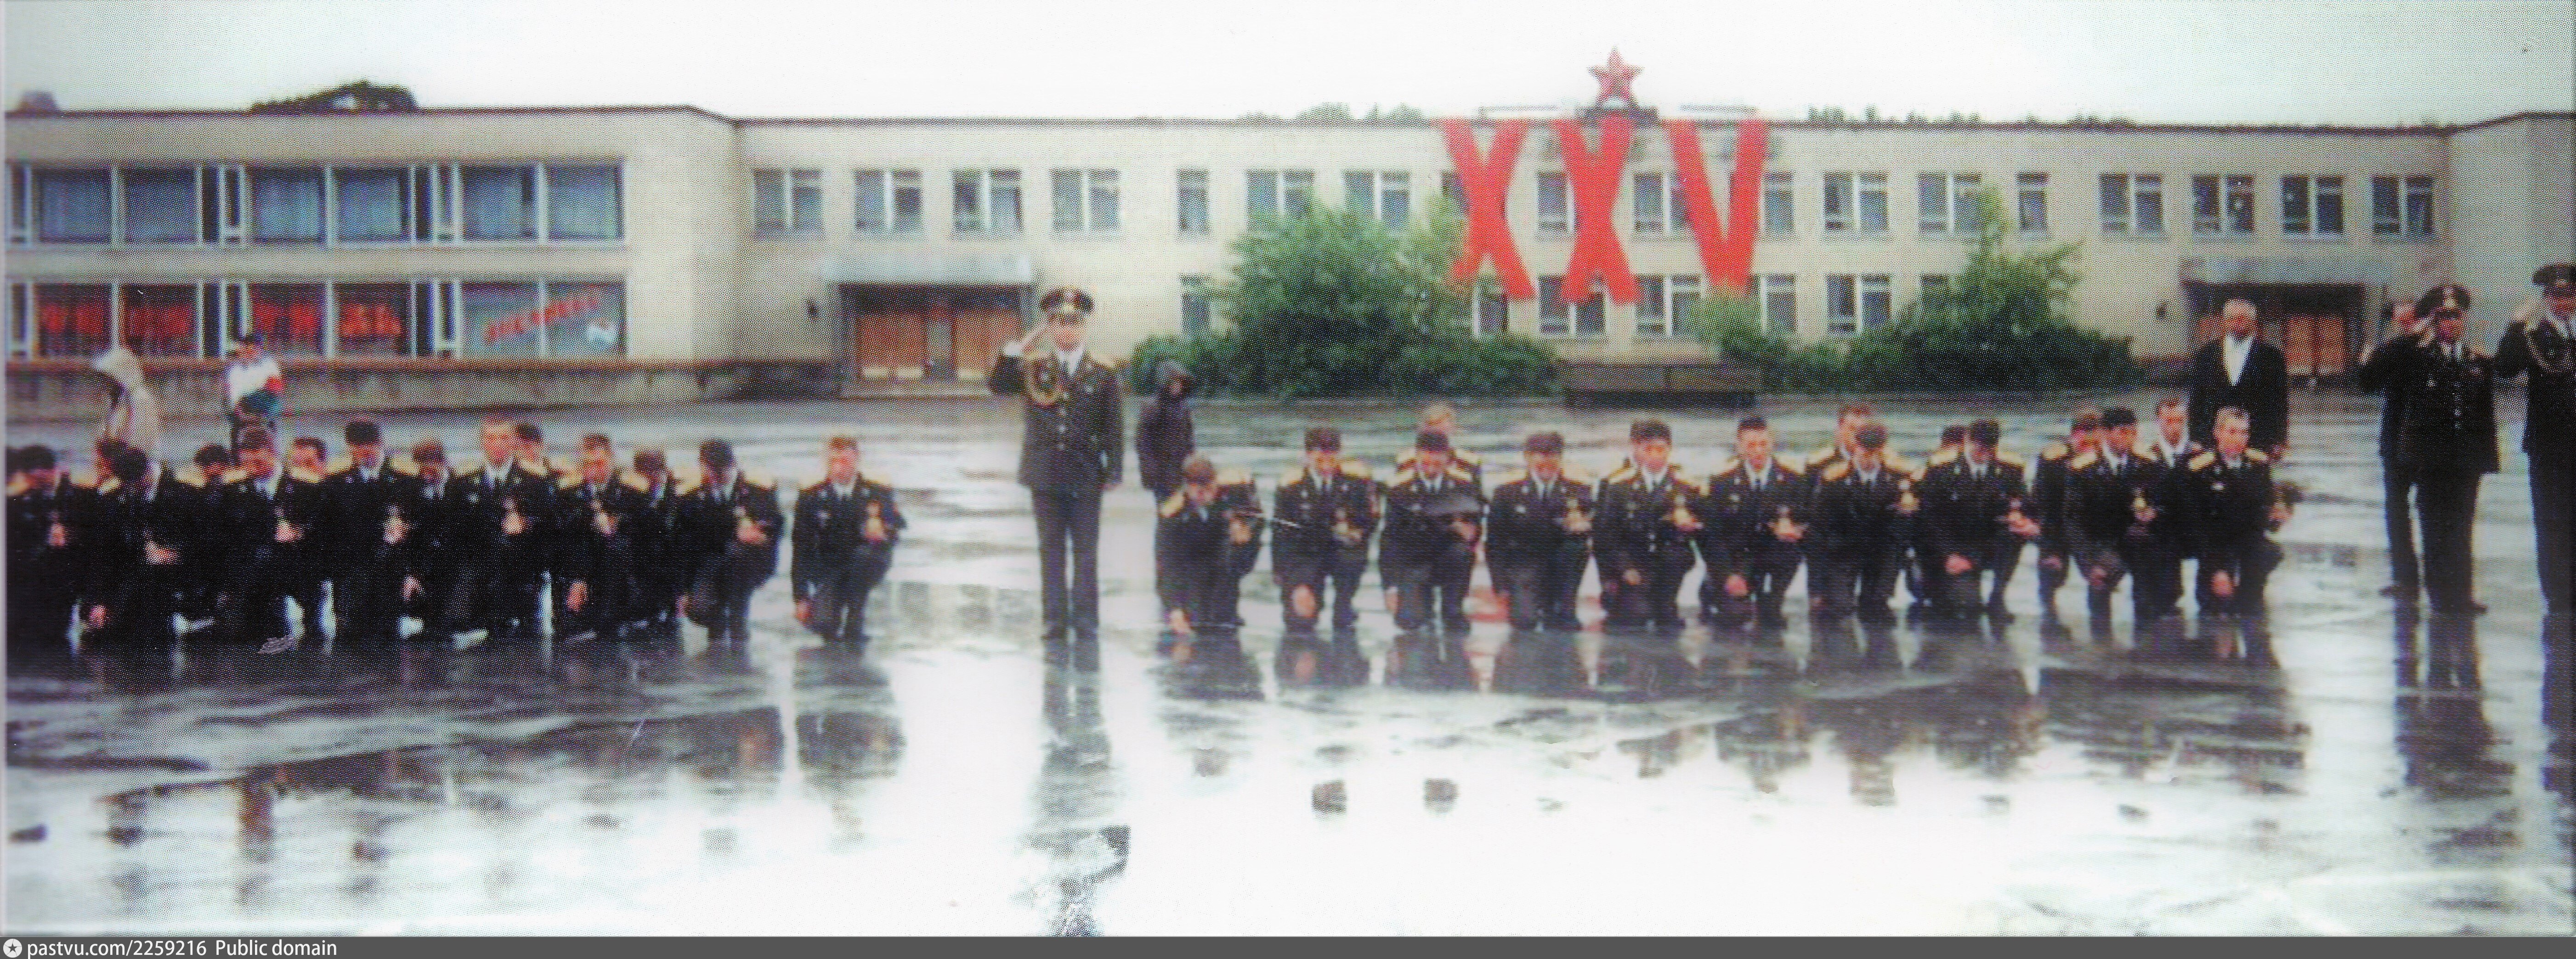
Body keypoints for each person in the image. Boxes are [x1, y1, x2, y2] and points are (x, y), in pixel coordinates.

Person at [989, 286, 1125, 665]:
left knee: (1085, 553)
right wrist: (1016, 349)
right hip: (1045, 474)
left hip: (1085, 473)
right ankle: (1053, 622)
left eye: (1073, 323)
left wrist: (1114, 468)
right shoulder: (1033, 365)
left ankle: (1086, 622)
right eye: (1059, 324)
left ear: (1083, 327)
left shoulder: (1102, 371)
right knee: (1050, 552)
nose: (1067, 330)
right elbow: (998, 386)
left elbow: (1113, 425)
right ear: (1049, 329)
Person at [2359, 284, 2498, 617]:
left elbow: (2483, 413)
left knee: (2462, 526)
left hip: (2464, 458)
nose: (2452, 323)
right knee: (2434, 527)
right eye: (2444, 317)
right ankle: (2439, 595)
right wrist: (2407, 336)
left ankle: (2461, 594)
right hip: (2429, 457)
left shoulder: (2475, 358)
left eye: (2457, 316)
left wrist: (2485, 458)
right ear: (2433, 321)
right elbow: (2369, 380)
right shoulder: (2415, 355)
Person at [2491, 262, 2576, 619]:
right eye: (2556, 296)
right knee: (2552, 520)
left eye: (2568, 295)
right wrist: (2514, 325)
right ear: (2545, 299)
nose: (2563, 302)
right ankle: (2558, 595)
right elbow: (2504, 367)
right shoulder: (2532, 336)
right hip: (2549, 445)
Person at [2174, 407, 2288, 666]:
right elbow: (2197, 526)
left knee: (2268, 553)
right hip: (2215, 546)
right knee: (2215, 618)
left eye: (2244, 433)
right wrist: (2217, 570)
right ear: (2217, 433)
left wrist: (2276, 517)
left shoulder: (2258, 464)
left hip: (2245, 542)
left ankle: (2251, 595)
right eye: (2232, 432)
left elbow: (2263, 519)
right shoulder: (2200, 468)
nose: (2239, 439)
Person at [439, 419, 555, 642]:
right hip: (475, 575)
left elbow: (551, 528)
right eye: (491, 438)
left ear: (514, 442)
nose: (497, 444)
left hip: (520, 576)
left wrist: (526, 524)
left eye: (504, 438)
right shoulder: (462, 482)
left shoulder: (535, 481)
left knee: (523, 650)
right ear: (482, 443)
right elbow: (452, 530)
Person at [214, 426, 327, 654]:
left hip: (300, 564)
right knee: (257, 638)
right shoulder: (232, 490)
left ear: (273, 453)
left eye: (259, 460)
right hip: (257, 569)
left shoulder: (306, 485)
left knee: (314, 636)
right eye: (247, 462)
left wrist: (299, 532)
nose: (253, 467)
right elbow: (227, 532)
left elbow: (325, 524)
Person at [2063, 408, 2174, 638]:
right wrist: (2088, 563)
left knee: (2150, 595)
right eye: (2123, 432)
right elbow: (2074, 521)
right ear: (2105, 433)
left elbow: (2169, 503)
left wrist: (2155, 513)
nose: (2130, 438)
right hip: (2102, 542)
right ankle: (2101, 639)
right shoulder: (2082, 469)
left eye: (2134, 433)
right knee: (2101, 579)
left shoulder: (2150, 464)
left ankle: (2146, 641)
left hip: (2140, 540)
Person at [1920, 419, 2038, 623]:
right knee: (1967, 606)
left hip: (1989, 542)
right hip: (1954, 542)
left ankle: (1998, 595)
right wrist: (1949, 555)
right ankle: (1934, 582)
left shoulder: (2010, 468)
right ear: (1967, 440)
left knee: (2014, 534)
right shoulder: (1942, 468)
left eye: (1989, 449)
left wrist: (2026, 522)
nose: (1983, 453)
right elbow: (1931, 519)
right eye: (1979, 447)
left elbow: (2024, 503)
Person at [793, 435, 905, 649]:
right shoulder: (811, 495)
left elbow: (896, 528)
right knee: (823, 623)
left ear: (856, 460)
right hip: (830, 568)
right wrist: (801, 598)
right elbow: (800, 548)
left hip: (866, 564)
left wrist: (883, 532)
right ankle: (832, 607)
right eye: (833, 462)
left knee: (863, 559)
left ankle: (856, 613)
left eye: (845, 461)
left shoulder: (877, 491)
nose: (838, 468)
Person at [86, 445, 200, 651]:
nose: (133, 488)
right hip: (127, 594)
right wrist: (99, 601)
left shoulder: (186, 496)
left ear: (149, 470)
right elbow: (104, 554)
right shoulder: (115, 500)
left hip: (169, 592)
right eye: (127, 484)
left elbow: (205, 543)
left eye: (137, 482)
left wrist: (176, 555)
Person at [1699, 415, 1807, 632]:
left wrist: (1798, 532)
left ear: (1772, 444)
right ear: (1739, 447)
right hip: (1737, 559)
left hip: (1775, 559)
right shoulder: (1722, 481)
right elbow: (1711, 536)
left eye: (1763, 444)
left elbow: (1809, 520)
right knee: (1734, 616)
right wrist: (1727, 575)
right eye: (1751, 445)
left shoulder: (1793, 479)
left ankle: (1772, 599)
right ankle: (1711, 588)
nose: (1758, 451)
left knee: (1771, 620)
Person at [1594, 420, 1701, 636]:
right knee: (1636, 616)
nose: (1655, 456)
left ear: (1670, 450)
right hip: (1634, 563)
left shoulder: (1687, 486)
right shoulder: (1619, 486)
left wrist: (1694, 526)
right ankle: (1622, 598)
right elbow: (1607, 535)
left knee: (1666, 617)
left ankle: (1667, 601)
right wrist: (1623, 569)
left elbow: (1707, 531)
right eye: (1648, 449)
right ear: (1637, 450)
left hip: (1669, 564)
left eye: (1661, 449)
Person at [1484, 431, 1595, 636]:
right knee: (1524, 621)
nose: (1546, 463)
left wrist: (1584, 529)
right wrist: (1500, 585)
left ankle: (1565, 604)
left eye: (1553, 456)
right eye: (1540, 457)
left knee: (1576, 548)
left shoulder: (1579, 490)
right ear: (1527, 458)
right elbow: (1495, 541)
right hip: (1524, 564)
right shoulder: (1507, 492)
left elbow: (1594, 531)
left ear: (1561, 458)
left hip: (1561, 565)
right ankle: (1529, 599)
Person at [1270, 427, 1378, 634]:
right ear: (1307, 456)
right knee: (1300, 620)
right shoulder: (1290, 486)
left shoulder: (1357, 481)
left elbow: (1370, 521)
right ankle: (1309, 598)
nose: (1326, 464)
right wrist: (1292, 582)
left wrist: (1355, 534)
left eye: (1332, 456)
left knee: (1352, 559)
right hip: (1305, 555)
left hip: (1342, 552)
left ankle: (1344, 603)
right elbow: (1281, 536)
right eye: (1320, 457)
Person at [321, 420, 419, 645]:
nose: (366, 451)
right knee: (350, 638)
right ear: (350, 448)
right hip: (351, 570)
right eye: (359, 446)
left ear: (382, 444)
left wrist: (411, 569)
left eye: (371, 444)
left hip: (391, 570)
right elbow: (330, 529)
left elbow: (418, 527)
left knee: (389, 639)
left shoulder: (405, 483)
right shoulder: (336, 485)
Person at [1380, 430, 1483, 639]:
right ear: (1417, 456)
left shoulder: (1464, 485)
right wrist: (1390, 587)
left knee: (1462, 553)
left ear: (1447, 458)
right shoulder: (1399, 489)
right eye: (1426, 462)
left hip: (1449, 557)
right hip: (1414, 561)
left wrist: (1469, 534)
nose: (1432, 469)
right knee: (1410, 621)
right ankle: (1419, 600)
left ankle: (1453, 607)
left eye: (1438, 462)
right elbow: (1390, 538)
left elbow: (1475, 529)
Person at [1809, 423, 1915, 624]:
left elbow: (1905, 523)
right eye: (1866, 452)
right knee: (1840, 607)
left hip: (1881, 550)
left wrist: (1896, 554)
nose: (1870, 459)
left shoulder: (1899, 477)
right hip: (1844, 549)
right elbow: (1820, 522)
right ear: (1856, 448)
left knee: (1877, 609)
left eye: (1876, 453)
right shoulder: (1834, 478)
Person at [1154, 455, 1263, 647]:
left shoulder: (1232, 494)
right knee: (1191, 628)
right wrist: (1175, 609)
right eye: (1199, 492)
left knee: (1223, 620)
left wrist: (1245, 535)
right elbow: (1167, 566)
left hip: (1223, 570)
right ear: (1188, 488)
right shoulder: (1172, 514)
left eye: (1210, 490)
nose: (1205, 496)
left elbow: (1257, 519)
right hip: (1190, 573)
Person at [683, 439, 783, 646]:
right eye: (712, 471)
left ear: (733, 465)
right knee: (698, 609)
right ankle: (718, 620)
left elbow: (777, 525)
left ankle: (739, 622)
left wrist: (762, 538)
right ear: (703, 467)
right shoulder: (692, 495)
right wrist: (683, 589)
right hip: (711, 564)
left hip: (747, 564)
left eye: (723, 470)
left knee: (738, 556)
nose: (719, 476)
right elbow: (687, 539)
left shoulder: (759, 491)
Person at [2358, 302, 2425, 604]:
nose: (2405, 325)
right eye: (2400, 321)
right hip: (2396, 440)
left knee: (2433, 512)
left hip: (2427, 441)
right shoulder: (2391, 348)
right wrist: (2366, 361)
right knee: (2396, 511)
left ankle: (2440, 578)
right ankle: (2404, 577)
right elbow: (2368, 384)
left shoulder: (2425, 347)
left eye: (2409, 319)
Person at [554, 434, 645, 643]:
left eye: (599, 463)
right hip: (582, 565)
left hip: (620, 569)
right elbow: (569, 537)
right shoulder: (569, 492)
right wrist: (579, 578)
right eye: (587, 464)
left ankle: (614, 615)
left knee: (615, 548)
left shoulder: (632, 490)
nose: (593, 470)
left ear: (611, 460)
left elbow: (642, 532)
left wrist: (616, 523)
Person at [7, 446, 89, 661]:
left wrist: (70, 536)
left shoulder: (80, 500)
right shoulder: (16, 506)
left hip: (62, 591)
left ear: (54, 471)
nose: (37, 484)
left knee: (58, 650)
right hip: (26, 594)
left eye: (42, 478)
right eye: (32, 479)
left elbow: (94, 545)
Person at [2186, 298, 2292, 461]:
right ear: (2225, 321)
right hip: (2212, 441)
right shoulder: (2206, 355)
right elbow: (2197, 398)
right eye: (2233, 318)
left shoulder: (2272, 357)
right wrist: (2196, 438)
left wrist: (2279, 440)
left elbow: (2279, 401)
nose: (2238, 323)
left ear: (2254, 322)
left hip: (2258, 440)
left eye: (2243, 319)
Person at [2030, 409, 2101, 619]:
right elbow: (2043, 504)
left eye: (2094, 442)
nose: (2088, 447)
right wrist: (2051, 547)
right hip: (2056, 524)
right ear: (2074, 436)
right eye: (2084, 441)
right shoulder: (2054, 460)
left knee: (2099, 576)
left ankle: (2099, 618)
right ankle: (2047, 615)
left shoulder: (2103, 459)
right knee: (2052, 573)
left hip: (2090, 528)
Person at [625, 448, 690, 637]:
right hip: (644, 559)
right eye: (646, 473)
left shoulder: (679, 495)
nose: (652, 478)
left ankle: (670, 607)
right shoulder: (633, 494)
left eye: (656, 472)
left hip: (671, 559)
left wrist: (681, 592)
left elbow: (681, 542)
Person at [1135, 360, 1196, 506]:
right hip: (1160, 472)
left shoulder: (1184, 408)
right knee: (1166, 511)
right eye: (1173, 383)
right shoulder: (1152, 408)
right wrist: (1150, 470)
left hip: (1182, 470)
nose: (1177, 387)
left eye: (1180, 383)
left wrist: (1193, 463)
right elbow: (1143, 443)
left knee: (1183, 511)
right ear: (1165, 384)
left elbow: (1189, 439)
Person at [92, 345, 163, 464]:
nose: (105, 385)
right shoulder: (119, 400)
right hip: (117, 464)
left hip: (135, 466)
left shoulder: (141, 399)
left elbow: (141, 441)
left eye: (109, 380)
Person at [1398, 402, 1484, 486]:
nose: (1436, 440)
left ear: (1453, 430)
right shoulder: (1407, 461)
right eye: (1430, 435)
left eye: (1441, 435)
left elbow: (1477, 494)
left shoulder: (1470, 462)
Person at [222, 335, 284, 450]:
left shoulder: (269, 365)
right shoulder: (235, 369)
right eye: (245, 349)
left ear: (259, 350)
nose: (249, 352)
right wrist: (238, 409)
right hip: (242, 405)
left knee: (270, 414)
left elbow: (276, 388)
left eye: (253, 349)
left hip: (264, 403)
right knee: (238, 430)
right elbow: (232, 392)